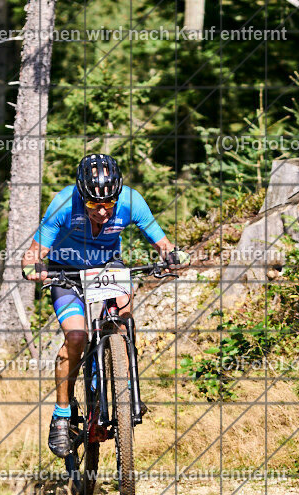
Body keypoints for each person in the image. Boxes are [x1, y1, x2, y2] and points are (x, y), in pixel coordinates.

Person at [20, 153, 189, 457]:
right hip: (66, 270)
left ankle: (124, 382)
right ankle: (61, 415)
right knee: (75, 336)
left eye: (108, 204)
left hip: (107, 267)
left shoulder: (131, 201)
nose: (101, 211)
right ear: (80, 196)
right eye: (92, 205)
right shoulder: (62, 204)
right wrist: (33, 266)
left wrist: (173, 255)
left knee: (123, 314)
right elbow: (33, 253)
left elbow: (162, 243)